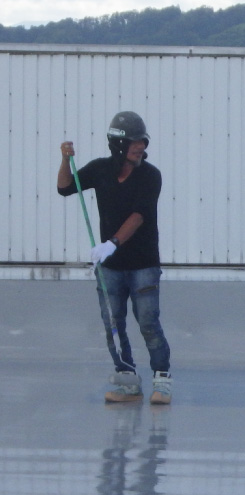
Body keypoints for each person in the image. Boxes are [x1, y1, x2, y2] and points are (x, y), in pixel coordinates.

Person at [58, 111, 173, 405]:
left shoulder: (151, 175)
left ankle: (162, 378)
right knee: (113, 323)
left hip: (143, 264)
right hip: (110, 269)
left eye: (143, 141)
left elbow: (139, 216)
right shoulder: (99, 170)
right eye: (136, 142)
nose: (141, 147)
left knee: (148, 321)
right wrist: (64, 158)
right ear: (119, 145)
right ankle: (127, 379)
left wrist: (111, 243)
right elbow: (65, 187)